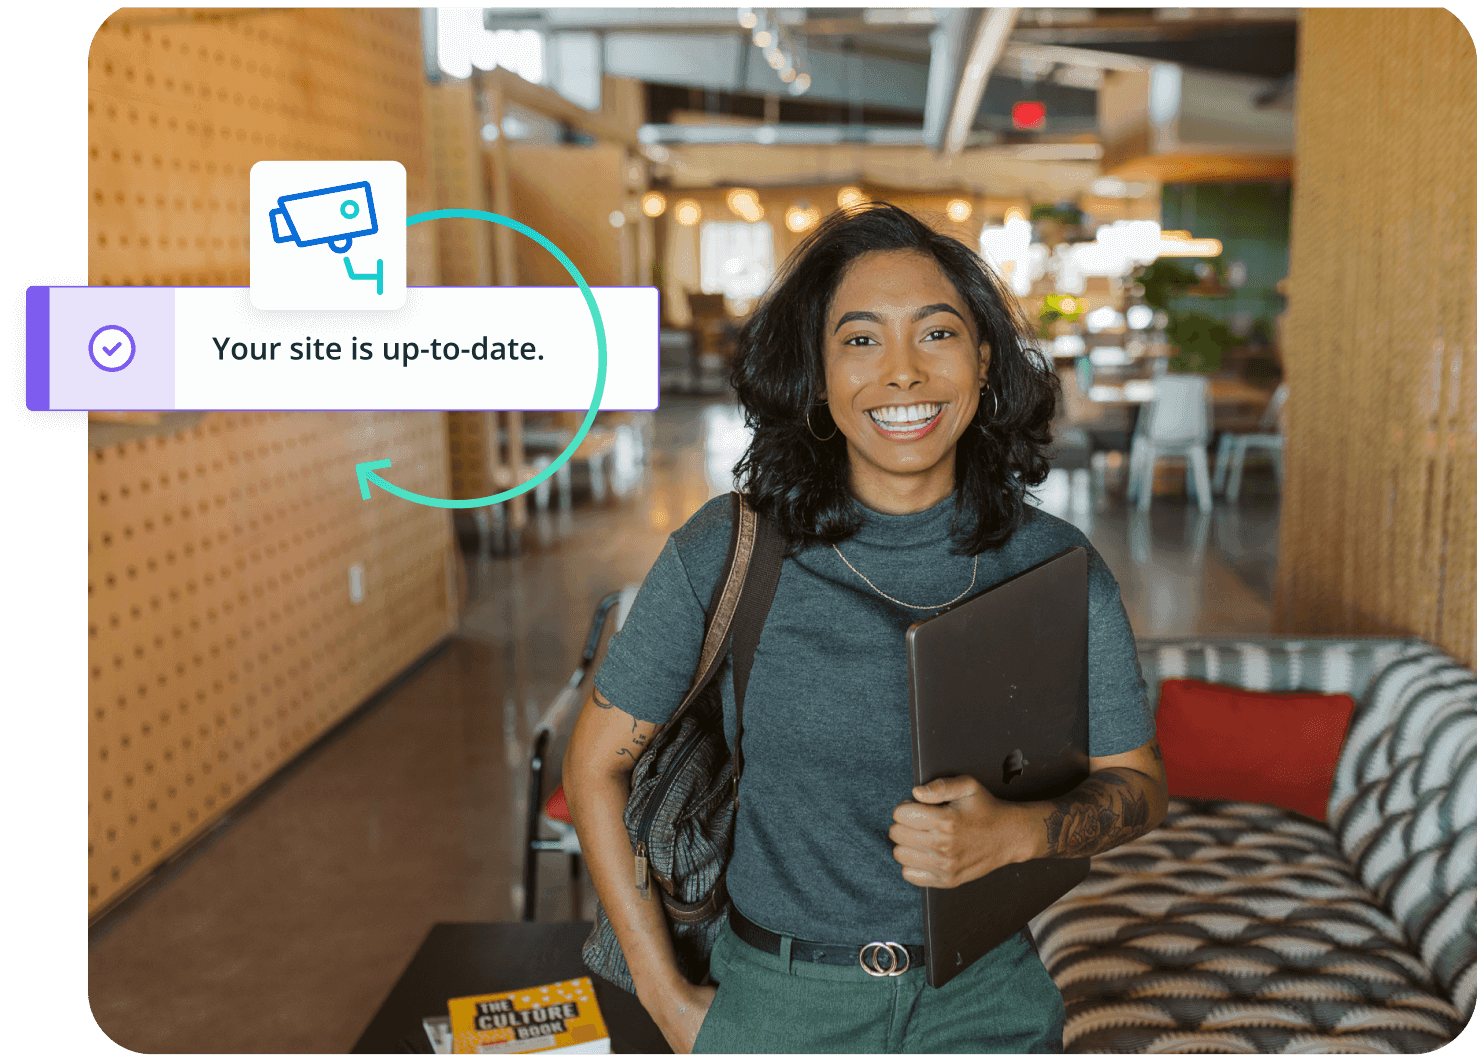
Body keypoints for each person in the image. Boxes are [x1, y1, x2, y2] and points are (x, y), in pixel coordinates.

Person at [563, 202, 1167, 1054]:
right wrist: (667, 1001)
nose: (903, 373)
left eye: (935, 334)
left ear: (983, 359)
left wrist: (1018, 832)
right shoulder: (728, 549)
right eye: (859, 339)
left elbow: (1137, 785)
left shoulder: (1054, 566)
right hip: (778, 1001)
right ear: (815, 373)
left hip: (985, 999)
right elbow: (594, 765)